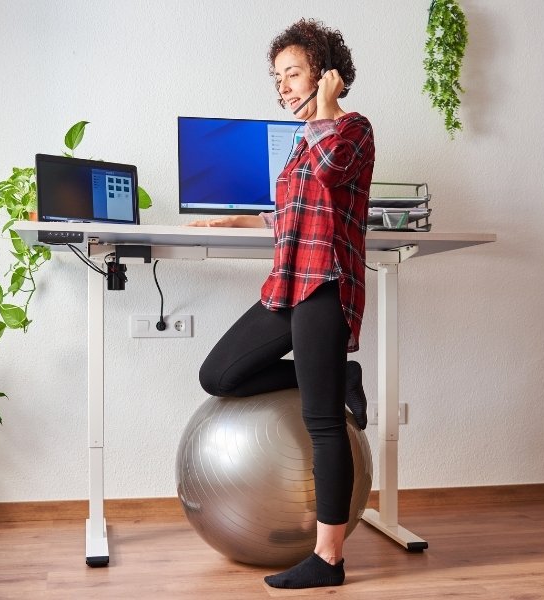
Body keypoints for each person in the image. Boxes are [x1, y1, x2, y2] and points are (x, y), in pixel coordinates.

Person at [188, 18, 375, 589]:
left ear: (325, 72)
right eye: (278, 77)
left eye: (293, 73)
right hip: (287, 283)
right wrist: (245, 219)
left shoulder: (351, 129)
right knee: (218, 374)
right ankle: (339, 373)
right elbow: (295, 211)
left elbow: (327, 171)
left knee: (322, 424)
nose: (283, 86)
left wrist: (325, 105)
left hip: (325, 283)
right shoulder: (304, 136)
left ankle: (329, 560)